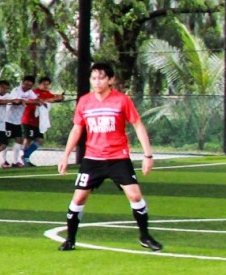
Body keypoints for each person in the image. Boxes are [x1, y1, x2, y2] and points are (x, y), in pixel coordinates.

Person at [57, 60, 162, 253]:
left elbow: (138, 125)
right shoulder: (84, 102)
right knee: (78, 199)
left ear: (111, 80)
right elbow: (77, 129)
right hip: (92, 159)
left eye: (101, 78)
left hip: (118, 158)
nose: (97, 82)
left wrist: (147, 155)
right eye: (94, 78)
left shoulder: (122, 100)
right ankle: (70, 240)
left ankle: (145, 237)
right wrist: (65, 156)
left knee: (135, 195)